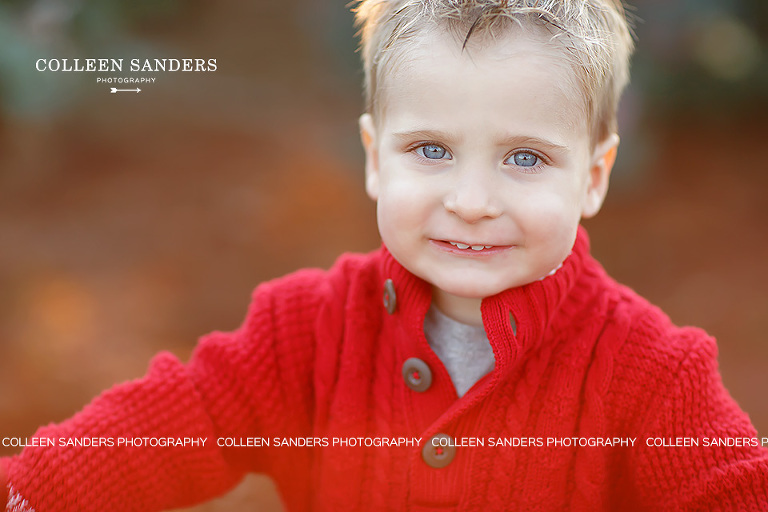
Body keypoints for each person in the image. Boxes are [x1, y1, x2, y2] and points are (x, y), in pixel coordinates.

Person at [3, 0, 768, 510]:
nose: (471, 199)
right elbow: (174, 425)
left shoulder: (647, 373)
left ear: (594, 176)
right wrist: (32, 492)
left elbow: (729, 487)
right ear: (376, 159)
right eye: (430, 149)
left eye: (525, 158)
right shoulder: (305, 331)